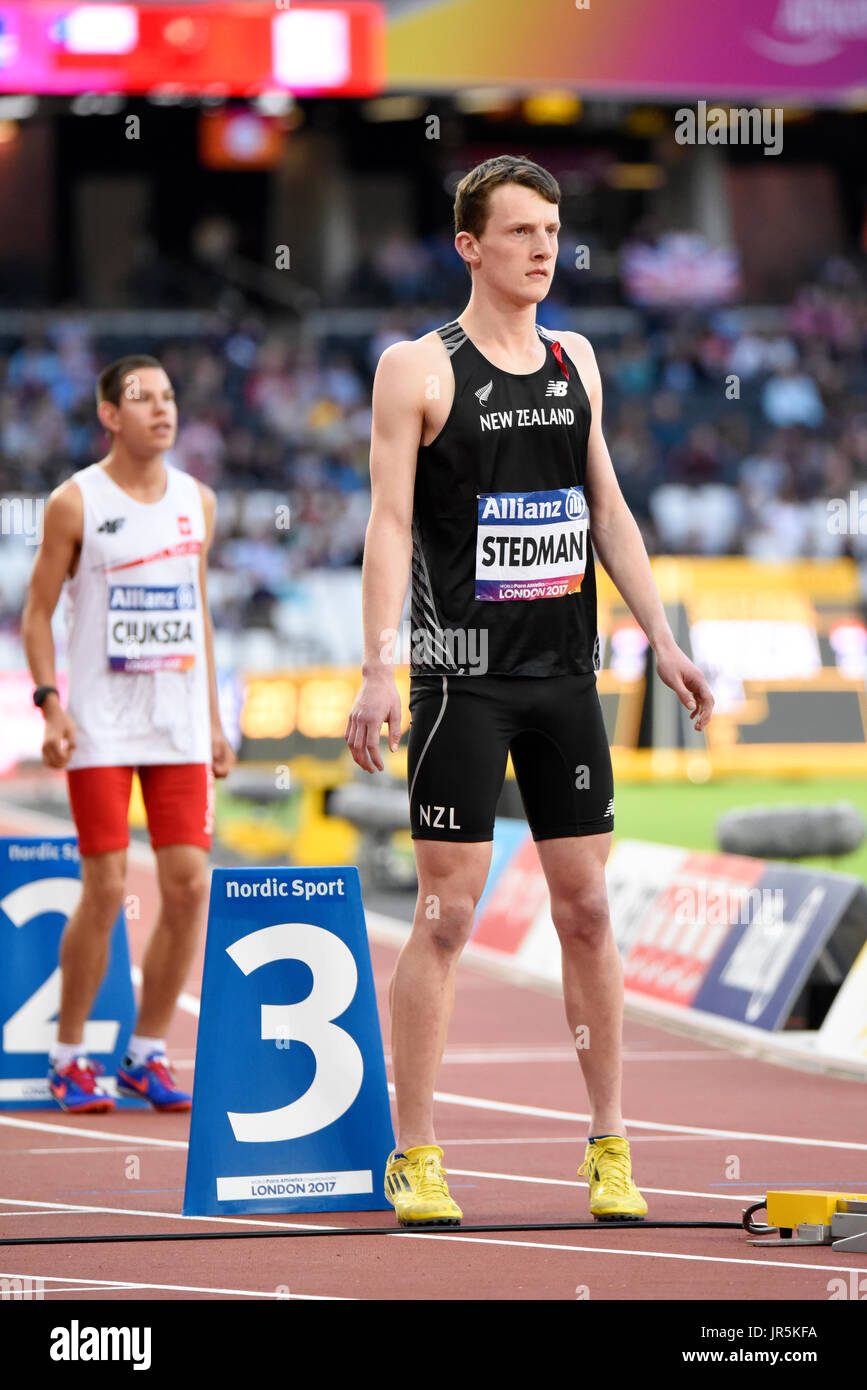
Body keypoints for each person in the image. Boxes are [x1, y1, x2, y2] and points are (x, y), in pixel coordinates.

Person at [345, 156, 714, 1227]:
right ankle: (415, 1151)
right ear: (469, 245)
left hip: (565, 673)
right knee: (448, 912)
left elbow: (608, 511)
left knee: (589, 907)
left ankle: (609, 1143)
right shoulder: (416, 368)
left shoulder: (577, 359)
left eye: (552, 230)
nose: (543, 248)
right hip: (461, 674)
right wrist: (379, 664)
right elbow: (388, 523)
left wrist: (664, 638)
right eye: (519, 232)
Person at [22, 355, 235, 1113]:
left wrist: (213, 719)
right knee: (107, 889)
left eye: (170, 397)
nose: (162, 410)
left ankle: (146, 1052)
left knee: (187, 888)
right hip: (103, 729)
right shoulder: (75, 502)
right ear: (110, 414)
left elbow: (198, 614)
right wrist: (52, 705)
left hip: (176, 726)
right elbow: (38, 611)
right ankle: (70, 1054)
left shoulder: (197, 502)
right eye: (143, 399)